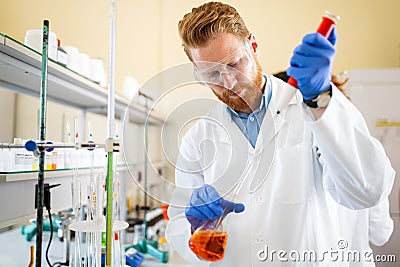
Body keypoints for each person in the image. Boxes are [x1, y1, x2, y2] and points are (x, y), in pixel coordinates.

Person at [165, 2, 395, 266]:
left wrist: (321, 97)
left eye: (234, 64)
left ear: (253, 47)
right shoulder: (198, 138)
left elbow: (366, 192)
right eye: (212, 74)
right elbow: (179, 229)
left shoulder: (313, 110)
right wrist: (195, 229)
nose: (228, 82)